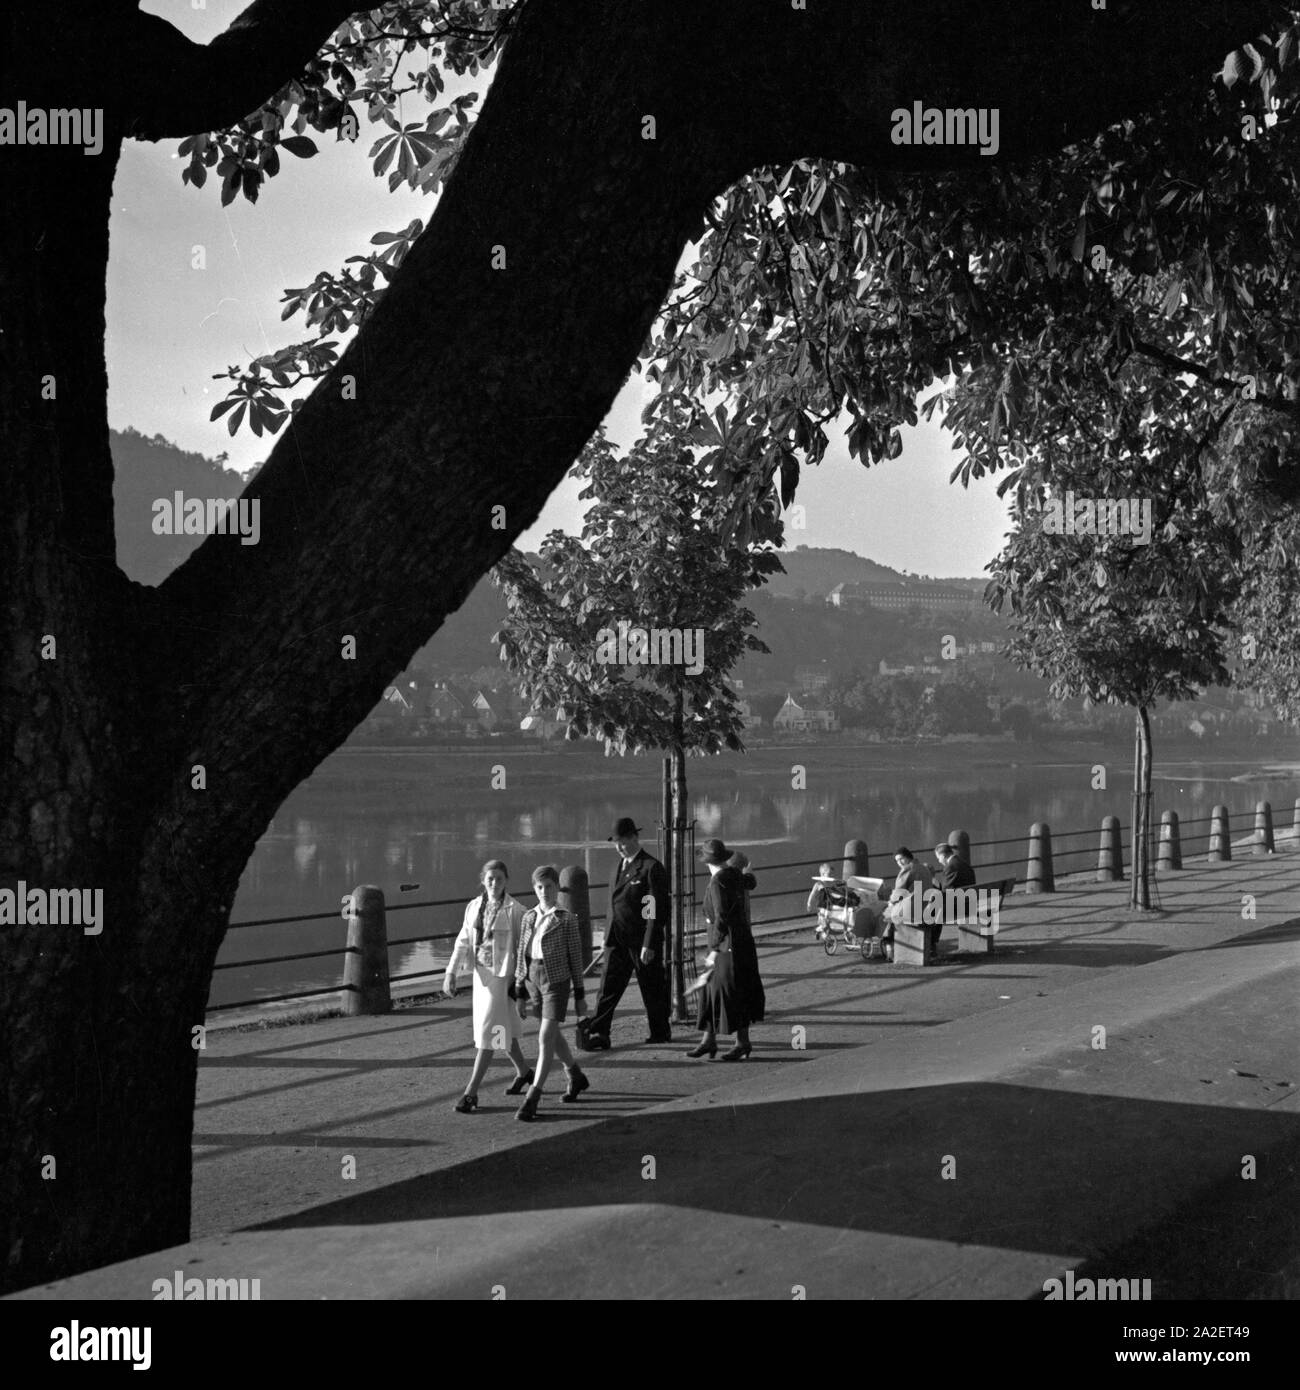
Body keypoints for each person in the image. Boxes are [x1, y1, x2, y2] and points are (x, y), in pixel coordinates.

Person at [442, 859, 531, 1113]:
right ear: (483, 880)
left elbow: (527, 941)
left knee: (490, 1033)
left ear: (506, 881)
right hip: (481, 977)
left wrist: (524, 981)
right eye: (490, 879)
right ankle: (524, 1072)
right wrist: (451, 972)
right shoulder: (474, 907)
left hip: (503, 979)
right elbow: (462, 940)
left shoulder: (515, 910)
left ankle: (471, 1092)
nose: (494, 883)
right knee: (500, 1028)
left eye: (499, 879)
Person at [583, 816, 672, 1049]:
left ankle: (660, 1032)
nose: (619, 847)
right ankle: (600, 1033)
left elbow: (654, 908)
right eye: (615, 843)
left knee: (651, 988)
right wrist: (605, 939)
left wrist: (649, 943)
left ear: (635, 837)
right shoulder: (617, 867)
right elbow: (613, 905)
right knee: (607, 989)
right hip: (616, 940)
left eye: (622, 842)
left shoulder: (651, 867)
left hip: (641, 941)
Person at [512, 865, 591, 1121]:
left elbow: (576, 959)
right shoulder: (528, 917)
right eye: (539, 887)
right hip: (533, 980)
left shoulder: (566, 918)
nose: (544, 891)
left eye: (549, 886)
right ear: (534, 889)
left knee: (545, 1037)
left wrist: (580, 995)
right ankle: (575, 1075)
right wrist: (520, 991)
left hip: (556, 981)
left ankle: (533, 1095)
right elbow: (522, 954)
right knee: (553, 1036)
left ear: (557, 888)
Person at [687, 838, 764, 1062]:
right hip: (741, 942)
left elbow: (721, 916)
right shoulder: (733, 874)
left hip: (725, 944)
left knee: (723, 989)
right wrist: (750, 871)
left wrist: (713, 948)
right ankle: (712, 1040)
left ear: (707, 861)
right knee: (724, 988)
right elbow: (750, 881)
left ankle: (737, 1042)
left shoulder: (717, 882)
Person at [880, 845, 932, 959]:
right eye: (897, 860)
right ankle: (890, 944)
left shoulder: (908, 869)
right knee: (891, 913)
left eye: (901, 859)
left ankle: (889, 946)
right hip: (926, 908)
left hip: (913, 910)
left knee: (886, 913)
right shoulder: (924, 868)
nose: (899, 862)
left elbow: (898, 892)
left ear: (908, 857)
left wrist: (891, 902)